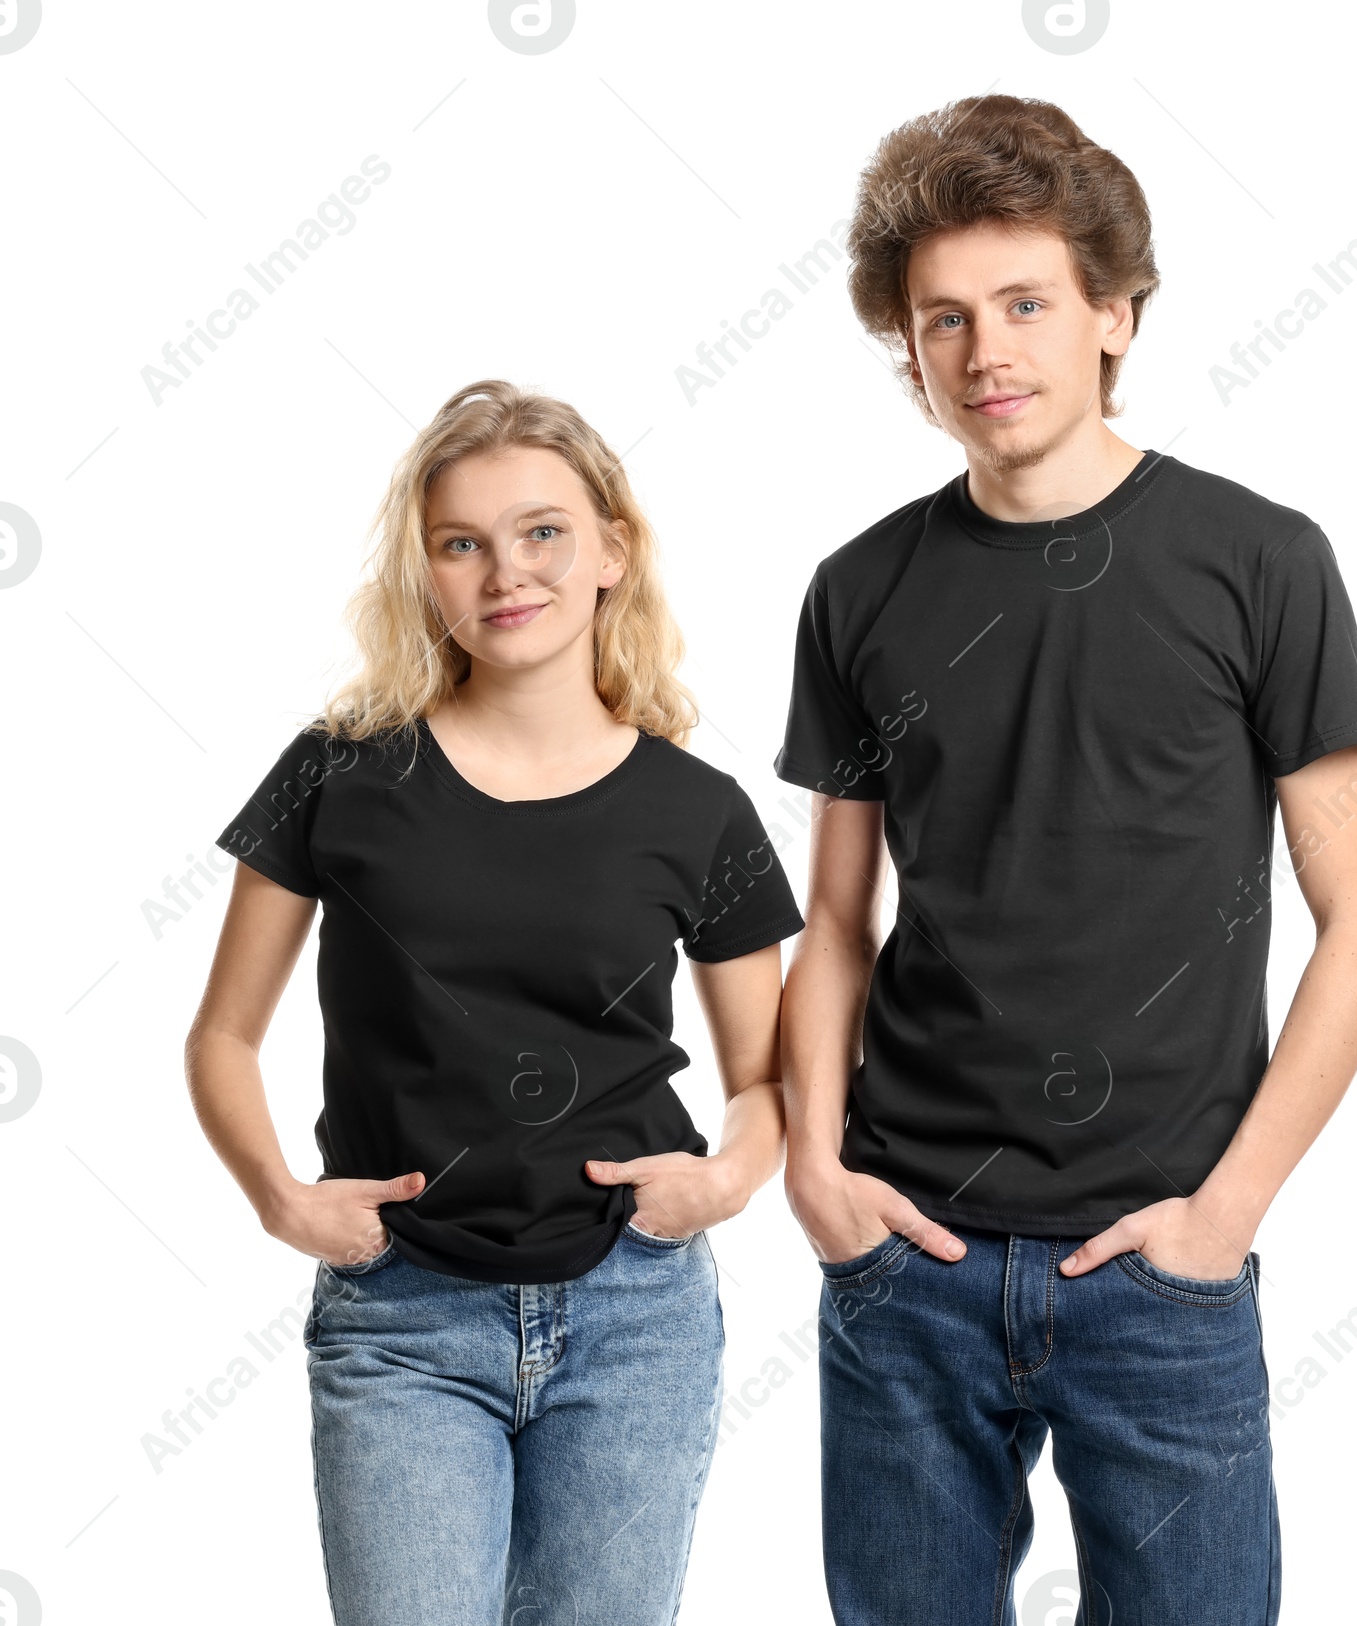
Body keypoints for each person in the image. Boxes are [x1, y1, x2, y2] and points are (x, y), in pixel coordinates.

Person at [775, 96, 1357, 1625]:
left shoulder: (1260, 563)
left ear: (1113, 313)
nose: (984, 348)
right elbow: (839, 922)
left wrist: (1225, 1213)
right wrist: (814, 1166)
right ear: (908, 351)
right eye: (942, 319)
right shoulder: (860, 590)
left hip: (1159, 1265)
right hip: (906, 1255)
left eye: (1026, 303)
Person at [185, 380, 804, 1626]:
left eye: (541, 533)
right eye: (460, 543)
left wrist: (729, 1181)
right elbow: (222, 1035)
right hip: (401, 1315)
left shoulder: (699, 811)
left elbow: (770, 1077)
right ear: (425, 572)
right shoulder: (339, 771)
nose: (503, 573)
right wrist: (277, 1198)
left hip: (635, 1315)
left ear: (609, 554)